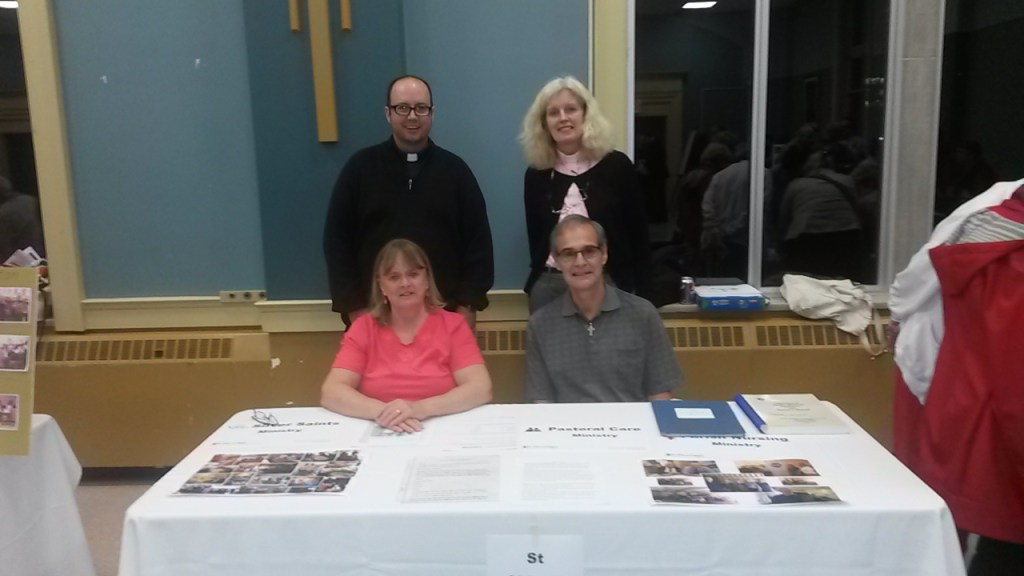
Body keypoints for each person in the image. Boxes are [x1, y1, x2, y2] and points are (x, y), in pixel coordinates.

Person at [323, 75, 493, 330]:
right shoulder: (360, 169)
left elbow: (478, 245)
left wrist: (467, 307)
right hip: (374, 317)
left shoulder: (456, 172)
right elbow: (337, 242)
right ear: (388, 114)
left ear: (432, 113)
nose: (412, 116)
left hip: (445, 318)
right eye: (402, 107)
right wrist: (356, 309)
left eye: (421, 108)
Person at [321, 239, 493, 432]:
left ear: (427, 280)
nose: (405, 283)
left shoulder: (454, 326)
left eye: (413, 274)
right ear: (381, 286)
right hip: (380, 429)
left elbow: (480, 388)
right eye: (394, 277)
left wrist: (420, 408)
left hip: (441, 428)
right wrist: (386, 413)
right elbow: (332, 392)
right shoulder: (363, 328)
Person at [519, 76, 651, 313]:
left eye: (571, 109)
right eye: (553, 112)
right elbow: (536, 238)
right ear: (544, 123)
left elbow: (638, 235)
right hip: (551, 286)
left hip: (610, 282)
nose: (563, 118)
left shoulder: (617, 166)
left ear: (585, 115)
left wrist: (645, 292)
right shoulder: (536, 175)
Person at [525, 215, 683, 403]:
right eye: (568, 254)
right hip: (568, 429)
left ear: (604, 253)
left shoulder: (642, 314)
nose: (580, 262)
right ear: (556, 261)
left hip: (631, 428)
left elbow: (660, 394)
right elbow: (542, 402)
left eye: (589, 251)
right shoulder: (540, 325)